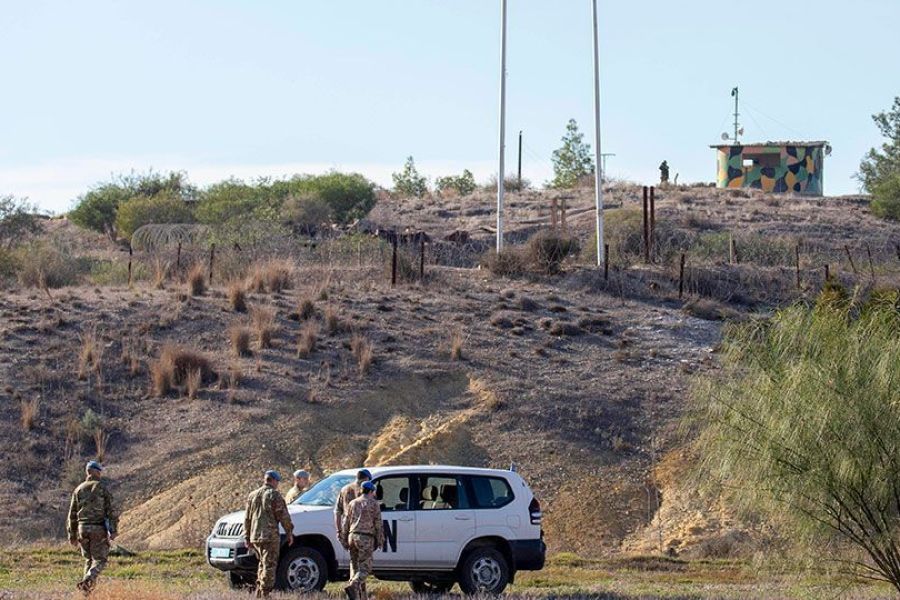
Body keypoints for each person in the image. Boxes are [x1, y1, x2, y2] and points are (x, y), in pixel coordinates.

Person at [67, 460, 118, 594]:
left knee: (89, 560)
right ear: (94, 472)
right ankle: (89, 579)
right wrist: (113, 530)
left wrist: (72, 535)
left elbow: (72, 514)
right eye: (99, 471)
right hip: (98, 529)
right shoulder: (101, 488)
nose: (100, 474)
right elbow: (111, 511)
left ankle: (86, 592)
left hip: (82, 529)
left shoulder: (78, 489)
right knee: (100, 559)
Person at [244, 470, 295, 598]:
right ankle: (265, 593)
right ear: (273, 480)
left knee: (262, 563)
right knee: (270, 565)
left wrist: (247, 537)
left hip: (255, 536)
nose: (278, 484)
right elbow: (283, 516)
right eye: (277, 481)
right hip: (270, 536)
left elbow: (247, 518)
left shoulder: (252, 495)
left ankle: (259, 592)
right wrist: (289, 532)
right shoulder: (274, 495)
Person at [340, 480, 384, 600]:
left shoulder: (353, 503)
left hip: (352, 536)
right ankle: (353, 585)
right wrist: (380, 539)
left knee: (355, 566)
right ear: (371, 491)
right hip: (365, 538)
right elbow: (378, 524)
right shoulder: (374, 504)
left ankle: (357, 595)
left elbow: (345, 522)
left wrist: (344, 539)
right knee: (365, 567)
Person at [334, 469, 371, 537]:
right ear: (366, 478)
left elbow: (337, 511)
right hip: (363, 529)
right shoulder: (365, 491)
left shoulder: (344, 489)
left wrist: (339, 530)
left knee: (351, 547)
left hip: (347, 527)